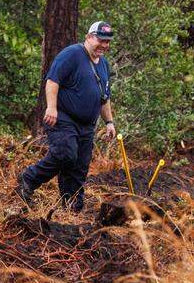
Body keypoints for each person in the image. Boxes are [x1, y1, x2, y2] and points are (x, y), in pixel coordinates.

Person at [14, 21, 117, 211]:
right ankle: (29, 179)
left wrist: (109, 122)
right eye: (101, 40)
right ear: (89, 37)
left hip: (87, 125)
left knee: (80, 167)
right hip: (63, 118)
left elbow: (104, 97)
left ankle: (72, 207)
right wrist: (51, 108)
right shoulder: (71, 54)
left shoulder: (104, 64)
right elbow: (52, 81)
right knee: (66, 154)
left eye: (107, 42)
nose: (104, 45)